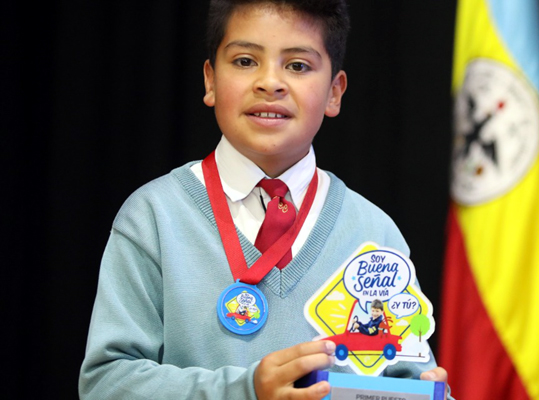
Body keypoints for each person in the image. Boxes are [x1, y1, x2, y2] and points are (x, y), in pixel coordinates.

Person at [78, 1, 450, 399]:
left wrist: (428, 394)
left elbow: (406, 376)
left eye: (298, 66)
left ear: (334, 93)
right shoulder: (154, 217)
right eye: (244, 61)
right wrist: (245, 391)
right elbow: (106, 383)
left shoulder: (373, 232)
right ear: (210, 80)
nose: (270, 82)